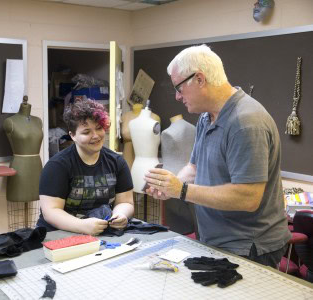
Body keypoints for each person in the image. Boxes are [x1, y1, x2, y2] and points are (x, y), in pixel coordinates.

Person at [144, 44, 290, 268]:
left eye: (179, 88)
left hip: (248, 247)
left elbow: (248, 198)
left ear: (200, 79)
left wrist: (180, 190)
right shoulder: (207, 117)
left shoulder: (245, 123)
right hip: (216, 240)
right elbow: (194, 168)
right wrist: (168, 187)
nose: (176, 96)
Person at [37, 99, 134, 235]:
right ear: (73, 136)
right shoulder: (57, 166)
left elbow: (126, 202)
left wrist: (120, 215)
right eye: (86, 132)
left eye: (99, 128)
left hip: (99, 232)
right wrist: (82, 225)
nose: (95, 136)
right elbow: (51, 212)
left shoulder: (117, 162)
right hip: (57, 234)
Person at [3, 96, 43, 203]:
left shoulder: (38, 121)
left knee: (39, 196)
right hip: (20, 167)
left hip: (37, 166)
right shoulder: (10, 122)